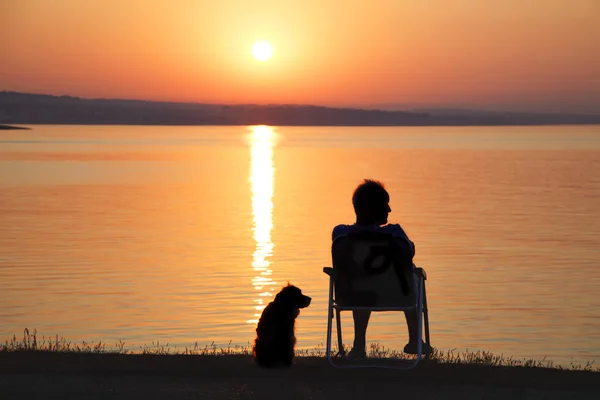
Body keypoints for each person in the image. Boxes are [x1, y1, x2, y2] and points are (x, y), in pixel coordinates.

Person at [332, 178, 433, 359]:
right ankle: (415, 340)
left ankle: (358, 347)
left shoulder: (341, 234)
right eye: (385, 204)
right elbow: (409, 252)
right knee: (414, 275)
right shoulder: (395, 233)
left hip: (351, 295)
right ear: (374, 209)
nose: (389, 210)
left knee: (362, 280)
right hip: (397, 296)